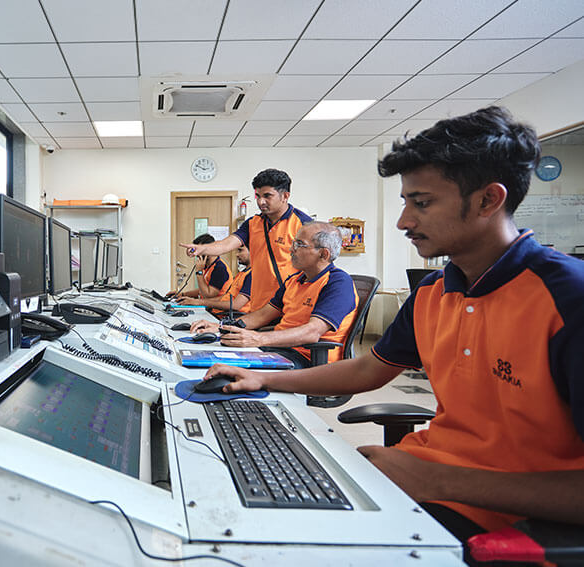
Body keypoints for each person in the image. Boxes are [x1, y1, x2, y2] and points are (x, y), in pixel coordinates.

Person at [201, 107, 584, 556]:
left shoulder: (567, 300)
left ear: (488, 200)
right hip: (422, 475)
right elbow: (368, 370)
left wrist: (439, 479)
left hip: (496, 516)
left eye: (421, 203)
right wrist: (265, 379)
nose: (403, 221)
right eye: (405, 202)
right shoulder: (434, 292)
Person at [189, 222, 357, 369]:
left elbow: (311, 332)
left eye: (300, 244)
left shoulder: (339, 283)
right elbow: (262, 315)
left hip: (308, 359)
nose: (291, 249)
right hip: (280, 349)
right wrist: (221, 328)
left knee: (227, 369)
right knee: (214, 355)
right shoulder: (294, 280)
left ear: (324, 254)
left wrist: (258, 338)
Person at [179, 169, 313, 313]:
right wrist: (201, 249)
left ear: (285, 196)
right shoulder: (252, 224)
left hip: (291, 304)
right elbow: (227, 244)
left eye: (267, 196)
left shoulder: (304, 225)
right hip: (260, 306)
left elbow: (317, 266)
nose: (261, 202)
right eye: (258, 196)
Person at [178, 245, 252, 315]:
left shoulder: (220, 269)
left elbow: (235, 305)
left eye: (240, 250)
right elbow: (226, 297)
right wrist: (186, 296)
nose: (237, 254)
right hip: (220, 313)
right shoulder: (242, 273)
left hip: (232, 317)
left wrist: (199, 302)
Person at [171, 233, 230, 299]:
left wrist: (199, 272)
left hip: (217, 308)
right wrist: (182, 294)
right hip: (208, 306)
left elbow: (208, 295)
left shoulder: (219, 268)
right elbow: (203, 290)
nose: (197, 254)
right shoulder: (208, 266)